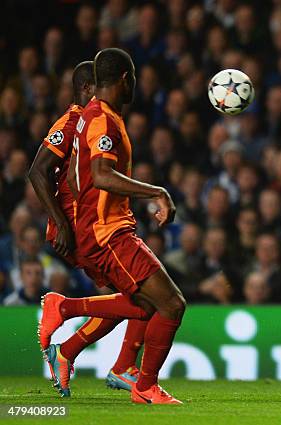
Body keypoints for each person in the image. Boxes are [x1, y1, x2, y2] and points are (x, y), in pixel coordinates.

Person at [38, 48, 185, 404]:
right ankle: (144, 386)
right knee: (172, 304)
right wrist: (157, 192)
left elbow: (84, 175)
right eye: (132, 79)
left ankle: (70, 331)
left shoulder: (93, 117)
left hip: (103, 228)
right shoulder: (98, 118)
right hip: (106, 232)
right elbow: (100, 176)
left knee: (144, 305)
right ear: (124, 79)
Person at [28, 60, 148, 396]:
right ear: (88, 88)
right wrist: (61, 223)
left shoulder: (95, 122)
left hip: (91, 225)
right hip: (82, 229)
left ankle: (71, 352)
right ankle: (71, 322)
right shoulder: (74, 121)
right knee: (143, 293)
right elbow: (38, 172)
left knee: (135, 294)